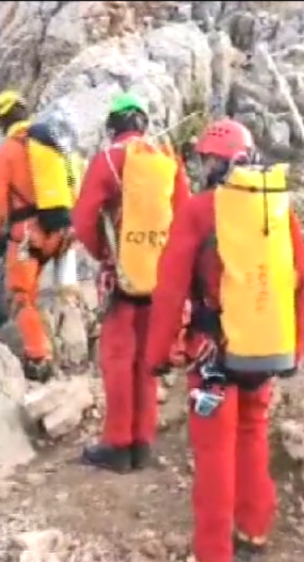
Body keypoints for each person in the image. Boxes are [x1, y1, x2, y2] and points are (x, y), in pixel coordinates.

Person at [143, 118, 304, 562]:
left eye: (204, 161)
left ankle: (210, 556)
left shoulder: (199, 211)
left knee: (215, 452)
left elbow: (170, 289)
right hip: (265, 346)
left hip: (212, 353)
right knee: (253, 433)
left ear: (213, 163)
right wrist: (293, 350)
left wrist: (158, 354)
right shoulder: (276, 209)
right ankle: (254, 527)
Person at [72, 91, 192, 472]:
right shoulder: (167, 160)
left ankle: (118, 442)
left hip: (122, 279)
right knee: (147, 359)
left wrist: (107, 255)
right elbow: (184, 217)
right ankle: (143, 441)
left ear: (113, 126)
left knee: (118, 358)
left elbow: (83, 219)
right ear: (142, 122)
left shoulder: (108, 160)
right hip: (161, 278)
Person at [0, 89, 78, 382]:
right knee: (61, 291)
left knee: (22, 295)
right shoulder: (51, 143)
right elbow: (73, 181)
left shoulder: (8, 151)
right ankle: (74, 344)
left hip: (28, 236)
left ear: (2, 122)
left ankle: (39, 356)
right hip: (63, 231)